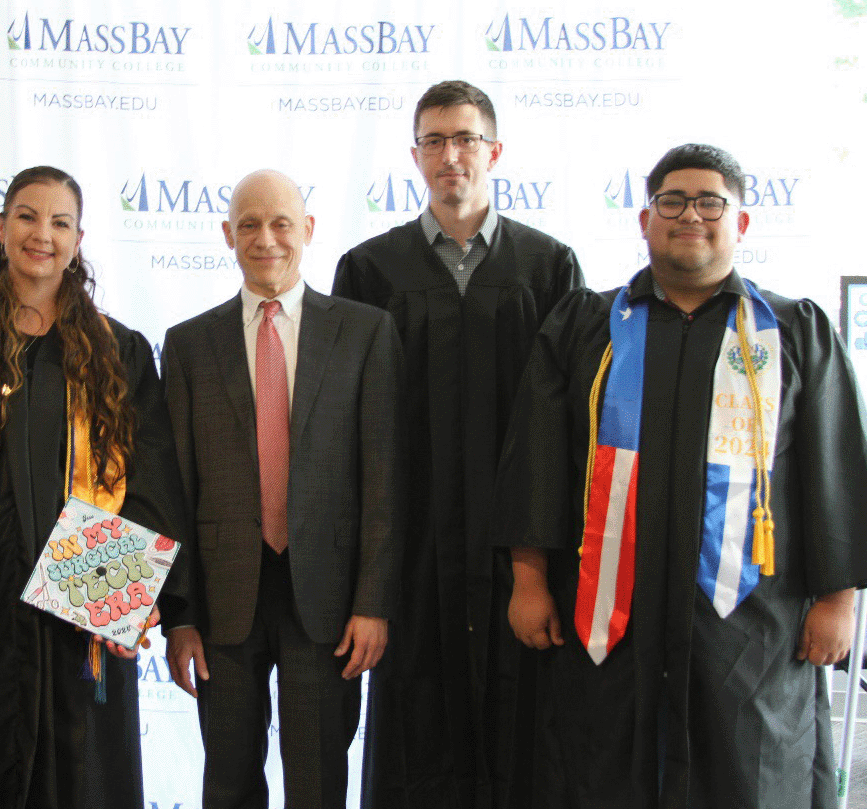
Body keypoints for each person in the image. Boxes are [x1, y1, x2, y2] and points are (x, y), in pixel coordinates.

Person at [496, 143, 867, 809]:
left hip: (750, 624)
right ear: (644, 220)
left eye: (708, 202)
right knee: (606, 776)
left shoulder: (791, 331)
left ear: (741, 224)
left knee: (746, 776)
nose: (688, 215)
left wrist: (838, 599)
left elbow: (831, 468)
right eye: (671, 201)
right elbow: (539, 462)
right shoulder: (588, 327)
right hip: (612, 621)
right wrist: (526, 578)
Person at [331, 80, 584, 808]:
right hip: (412, 546)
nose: (450, 156)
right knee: (419, 719)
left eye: (465, 139)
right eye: (434, 141)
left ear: (493, 151)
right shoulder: (370, 269)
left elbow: (568, 425)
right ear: (414, 157)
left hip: (519, 548)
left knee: (523, 718)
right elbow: (351, 425)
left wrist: (543, 554)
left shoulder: (547, 267)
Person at [0, 165, 187, 809]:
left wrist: (105, 597)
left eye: (60, 222)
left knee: (81, 777)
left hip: (81, 612)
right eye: (28, 217)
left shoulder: (118, 350)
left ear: (79, 238)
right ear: (1, 227)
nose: (43, 234)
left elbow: (150, 482)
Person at [163, 169, 403, 809]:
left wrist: (373, 601)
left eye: (280, 224)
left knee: (319, 782)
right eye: (248, 225)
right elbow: (177, 489)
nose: (265, 238)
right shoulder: (187, 344)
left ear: (309, 231)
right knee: (228, 782)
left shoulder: (365, 333)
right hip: (222, 606)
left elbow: (384, 480)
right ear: (227, 235)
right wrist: (179, 617)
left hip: (328, 605)